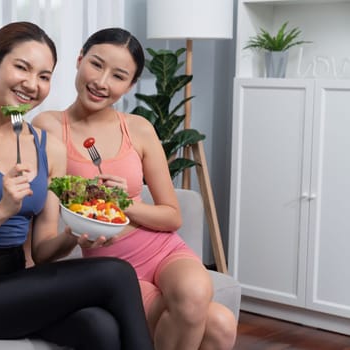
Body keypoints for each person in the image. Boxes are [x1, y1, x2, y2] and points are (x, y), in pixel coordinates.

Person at [0, 21, 154, 350]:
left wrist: (73, 231)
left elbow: (42, 253)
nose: (32, 84)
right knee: (116, 273)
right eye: (22, 68)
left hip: (18, 278)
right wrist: (1, 210)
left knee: (101, 330)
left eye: (44, 76)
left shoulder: (47, 146)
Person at [32, 27, 238, 350]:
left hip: (163, 250)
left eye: (118, 76)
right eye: (96, 65)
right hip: (113, 266)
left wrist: (124, 204)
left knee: (201, 298)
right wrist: (72, 231)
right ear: (79, 59)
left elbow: (171, 217)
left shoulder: (139, 129)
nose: (102, 82)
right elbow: (41, 246)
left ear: (129, 85)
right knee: (220, 326)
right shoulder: (50, 127)